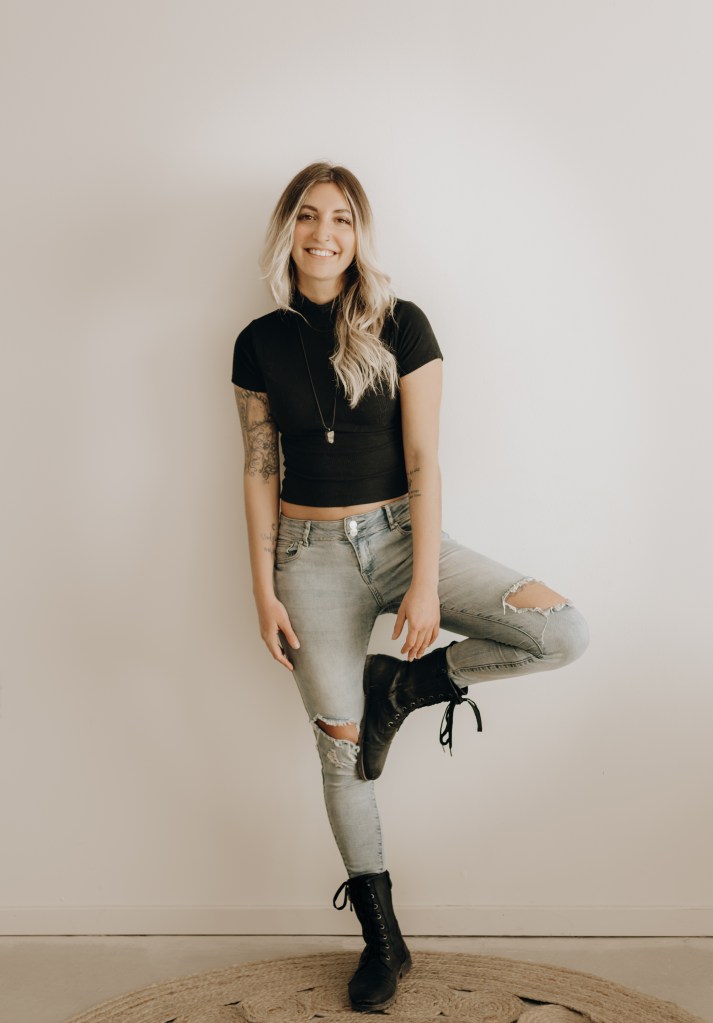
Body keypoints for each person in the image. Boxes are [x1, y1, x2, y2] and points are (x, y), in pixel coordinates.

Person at [231, 162, 589, 1013]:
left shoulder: (402, 323)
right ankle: (383, 942)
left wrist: (424, 583)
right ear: (287, 228)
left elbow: (426, 460)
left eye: (341, 218)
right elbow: (257, 467)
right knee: (340, 750)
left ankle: (404, 684)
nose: (323, 233)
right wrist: (261, 589)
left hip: (398, 535)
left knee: (561, 630)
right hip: (306, 557)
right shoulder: (257, 342)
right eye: (308, 216)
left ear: (359, 234)